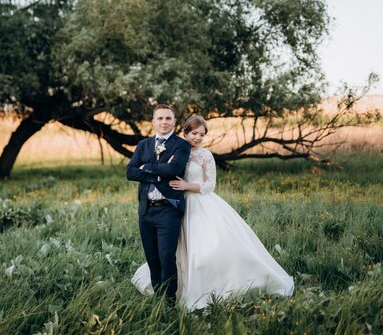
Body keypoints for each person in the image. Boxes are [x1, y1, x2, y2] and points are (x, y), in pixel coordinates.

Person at [131, 115, 294, 310]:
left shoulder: (205, 155)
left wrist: (187, 185)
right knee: (175, 251)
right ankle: (170, 290)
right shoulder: (174, 149)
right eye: (194, 133)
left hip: (199, 203)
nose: (198, 138)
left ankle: (210, 287)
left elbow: (210, 185)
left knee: (207, 249)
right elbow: (165, 170)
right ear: (185, 132)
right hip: (175, 206)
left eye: (202, 134)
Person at [126, 104, 191, 304]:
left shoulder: (181, 145)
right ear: (153, 122)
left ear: (174, 121)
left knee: (165, 257)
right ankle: (158, 298)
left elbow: (174, 168)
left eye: (168, 118)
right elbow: (130, 172)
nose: (164, 122)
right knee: (152, 258)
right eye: (160, 118)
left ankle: (170, 302)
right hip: (145, 210)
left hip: (168, 210)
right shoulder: (143, 145)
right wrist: (158, 172)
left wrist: (147, 168)